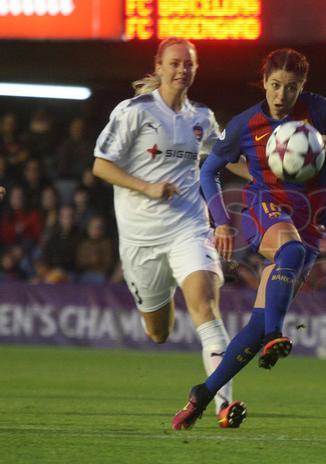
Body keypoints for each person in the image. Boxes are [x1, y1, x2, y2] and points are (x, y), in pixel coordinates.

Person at [172, 48, 326, 430]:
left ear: (302, 86)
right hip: (262, 210)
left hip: (309, 221)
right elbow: (209, 172)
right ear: (264, 82)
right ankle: (275, 335)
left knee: (254, 325)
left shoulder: (316, 110)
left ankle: (201, 397)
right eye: (274, 85)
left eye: (291, 87)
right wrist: (221, 221)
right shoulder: (244, 124)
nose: (282, 95)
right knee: (289, 252)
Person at [92, 38, 249, 429]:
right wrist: (146, 187)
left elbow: (229, 161)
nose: (182, 70)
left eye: (189, 65)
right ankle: (165, 299)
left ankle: (222, 406)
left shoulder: (203, 118)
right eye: (175, 63)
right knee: (158, 332)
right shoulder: (134, 112)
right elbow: (100, 166)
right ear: (159, 67)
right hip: (141, 240)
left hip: (189, 228)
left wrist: (277, 174)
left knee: (207, 310)